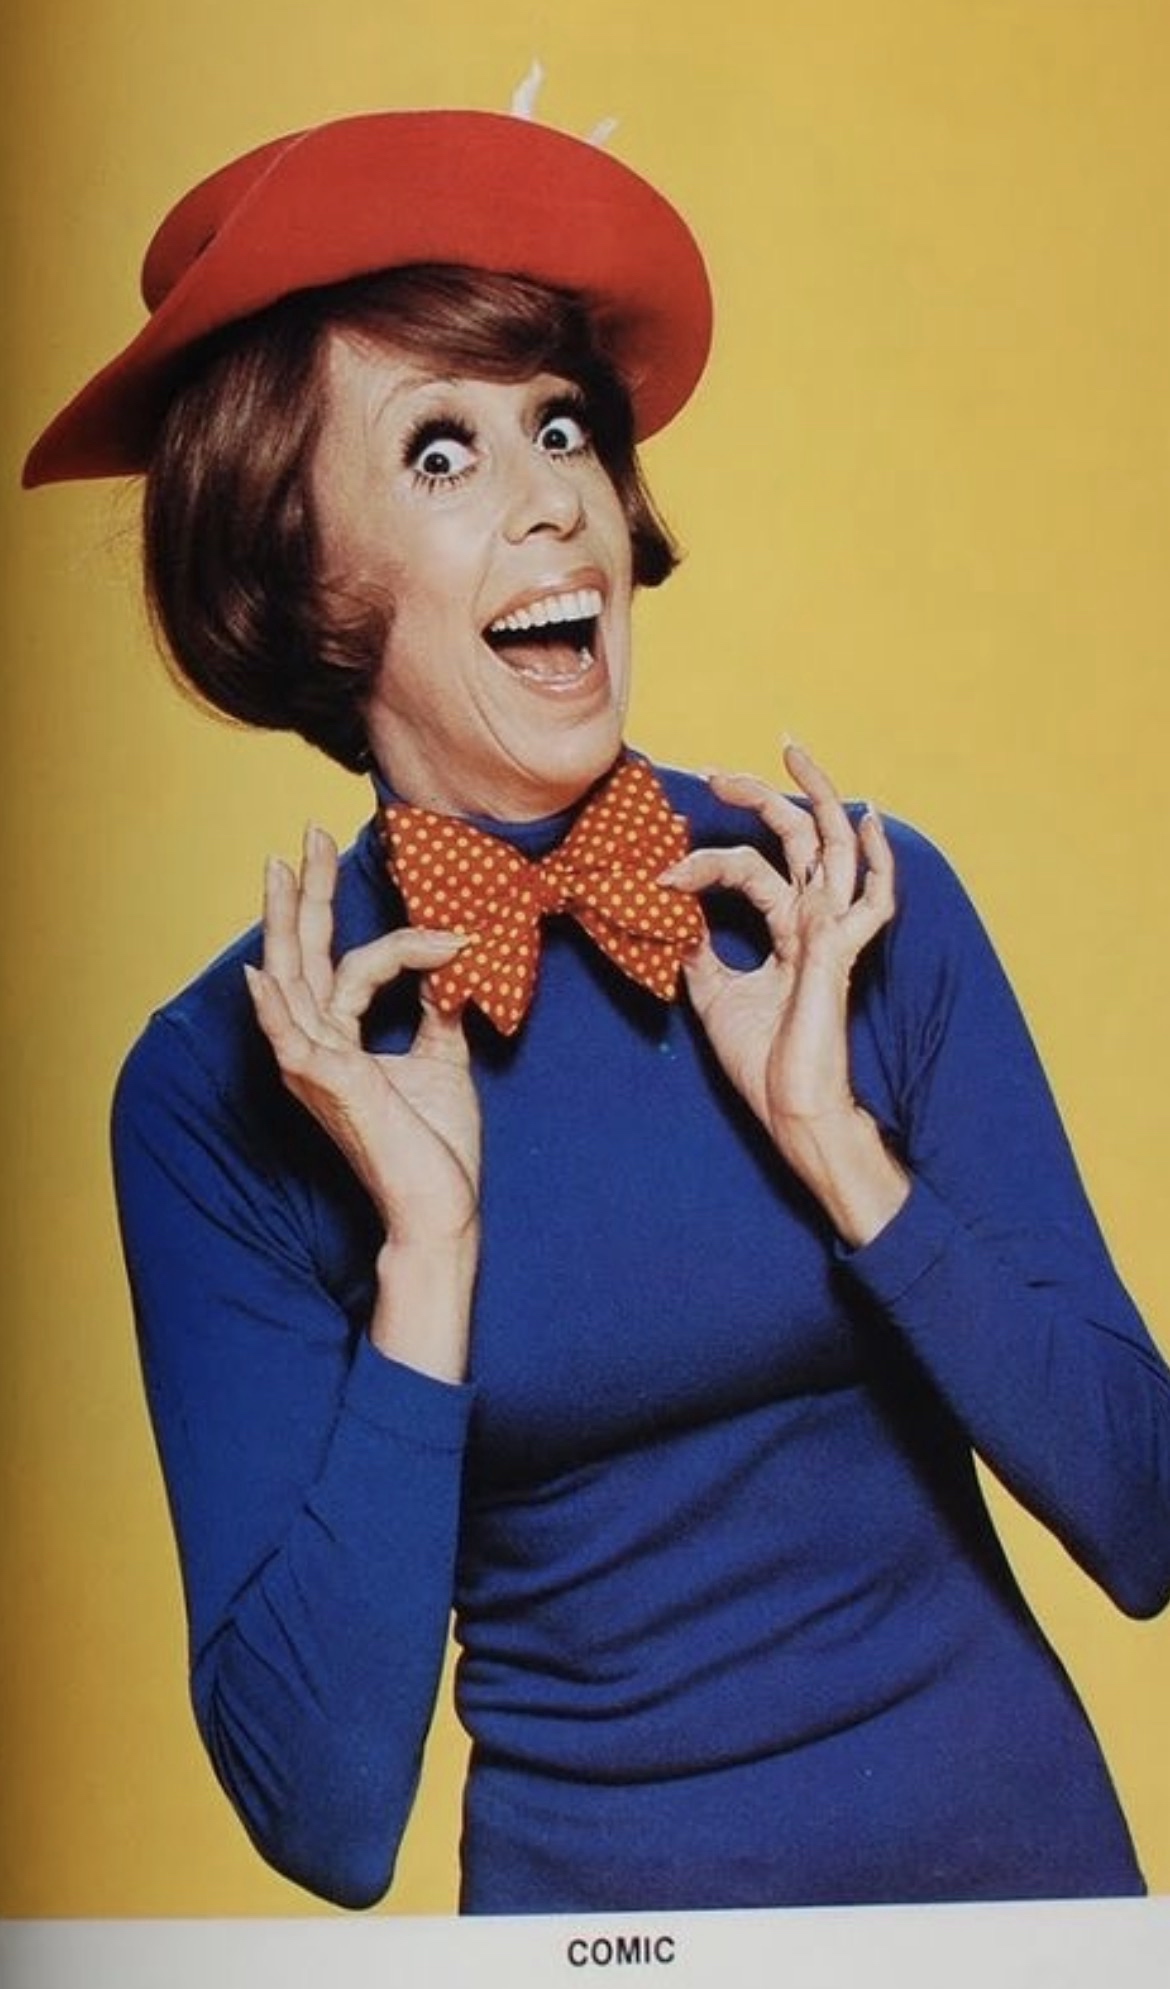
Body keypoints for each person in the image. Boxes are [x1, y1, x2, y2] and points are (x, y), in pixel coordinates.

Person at [23, 101, 1170, 1916]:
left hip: (1016, 1900)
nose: (554, 493)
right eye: (441, 451)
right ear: (299, 574)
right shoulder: (221, 1084)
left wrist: (841, 1156)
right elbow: (323, 1817)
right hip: (606, 1943)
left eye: (561, 425)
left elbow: (1143, 1513)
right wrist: (426, 1255)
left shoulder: (841, 905)